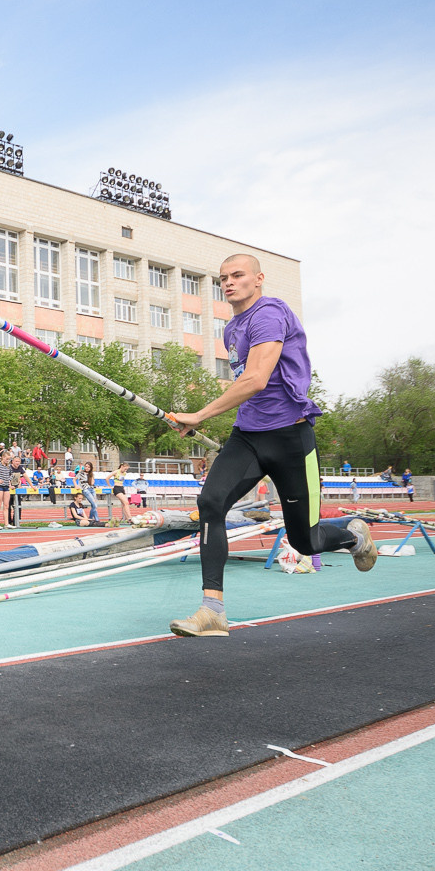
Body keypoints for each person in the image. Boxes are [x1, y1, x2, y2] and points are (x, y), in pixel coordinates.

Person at [163, 254, 376, 638]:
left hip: (290, 438)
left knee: (303, 540)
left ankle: (354, 536)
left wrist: (199, 415)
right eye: (223, 277)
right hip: (248, 436)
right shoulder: (231, 329)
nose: (228, 282)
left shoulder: (269, 314)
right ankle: (212, 610)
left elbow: (257, 379)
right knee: (210, 502)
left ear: (258, 279)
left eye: (237, 275)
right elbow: (246, 388)